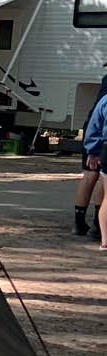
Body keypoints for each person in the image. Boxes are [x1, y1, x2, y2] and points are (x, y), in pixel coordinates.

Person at [77, 69, 107, 239]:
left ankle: (79, 222)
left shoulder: (105, 84)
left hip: (93, 130)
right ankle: (97, 225)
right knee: (103, 179)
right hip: (101, 137)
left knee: (89, 175)